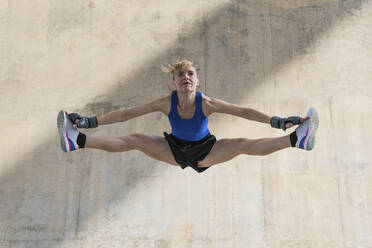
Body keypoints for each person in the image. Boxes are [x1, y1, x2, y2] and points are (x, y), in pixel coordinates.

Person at [57, 60, 319, 173]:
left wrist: (278, 121)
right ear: (174, 82)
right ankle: (76, 140)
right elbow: (127, 113)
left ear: (197, 80)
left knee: (241, 144)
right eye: (180, 75)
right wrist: (91, 122)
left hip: (205, 150)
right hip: (173, 149)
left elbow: (243, 111)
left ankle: (298, 139)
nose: (185, 78)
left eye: (190, 74)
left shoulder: (207, 103)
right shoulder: (165, 102)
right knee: (135, 138)